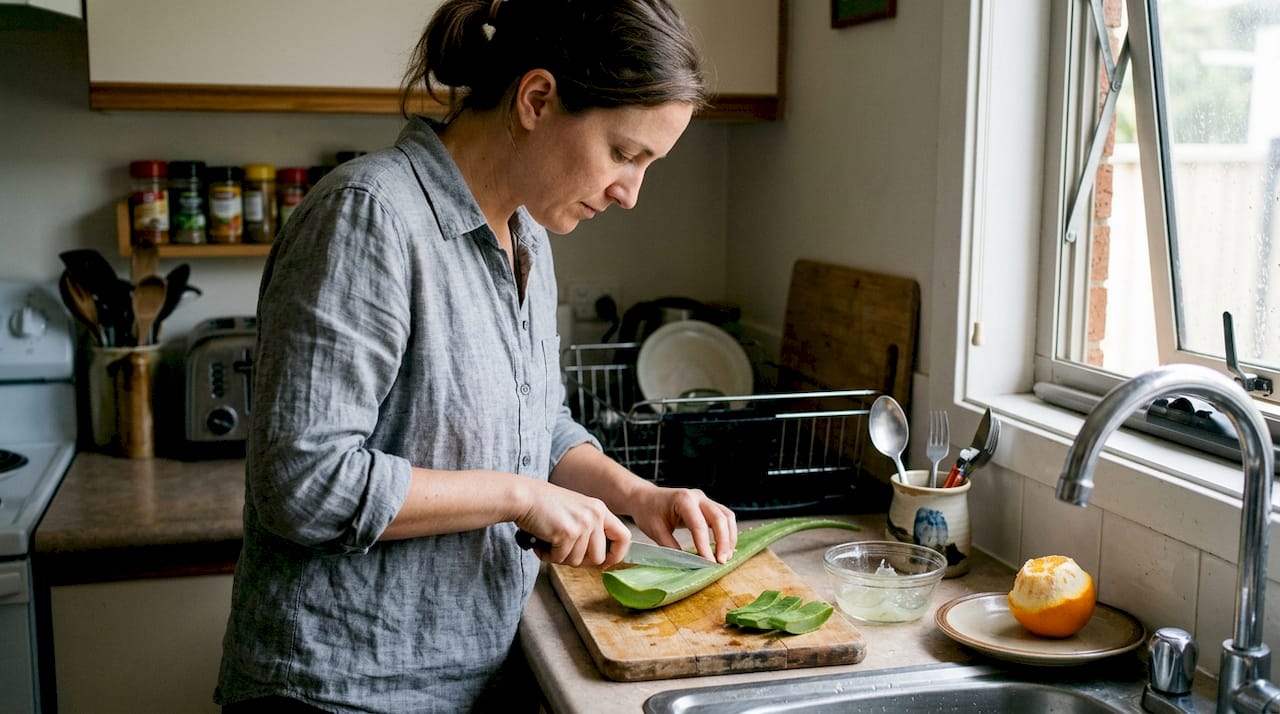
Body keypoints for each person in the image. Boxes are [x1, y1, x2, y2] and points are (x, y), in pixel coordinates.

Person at [214, 1, 739, 711]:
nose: (630, 193)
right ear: (537, 99)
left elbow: (537, 426)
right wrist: (521, 498)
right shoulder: (369, 215)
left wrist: (638, 496)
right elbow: (303, 483)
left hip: (470, 673)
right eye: (624, 153)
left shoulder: (526, 233)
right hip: (340, 692)